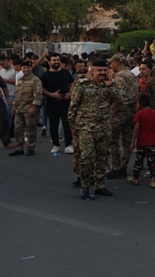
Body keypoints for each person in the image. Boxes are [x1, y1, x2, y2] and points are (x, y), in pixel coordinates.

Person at [68, 59, 126, 199]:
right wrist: (72, 126)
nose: (102, 73)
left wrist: (111, 85)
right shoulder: (82, 85)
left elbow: (121, 101)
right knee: (87, 156)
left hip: (103, 127)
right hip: (85, 127)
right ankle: (85, 185)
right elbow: (73, 106)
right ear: (92, 70)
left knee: (101, 157)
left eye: (104, 70)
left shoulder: (110, 85)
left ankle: (100, 186)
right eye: (99, 70)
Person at [107, 54, 139, 178]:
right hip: (131, 111)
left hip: (120, 111)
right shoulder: (132, 75)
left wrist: (112, 111)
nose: (110, 65)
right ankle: (124, 166)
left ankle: (116, 167)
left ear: (117, 63)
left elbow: (118, 96)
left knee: (112, 140)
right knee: (127, 142)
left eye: (111, 63)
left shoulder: (120, 76)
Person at [41, 53, 74, 154]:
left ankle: (68, 145)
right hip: (52, 103)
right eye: (54, 60)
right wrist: (51, 95)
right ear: (49, 62)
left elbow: (72, 84)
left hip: (66, 103)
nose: (56, 62)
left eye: (57, 60)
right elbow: (42, 89)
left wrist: (70, 93)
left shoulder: (66, 72)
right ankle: (56, 145)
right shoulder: (45, 75)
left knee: (67, 124)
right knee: (53, 125)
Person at [10, 61, 43, 157]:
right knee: (17, 130)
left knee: (31, 129)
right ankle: (19, 148)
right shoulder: (20, 79)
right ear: (21, 69)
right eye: (24, 68)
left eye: (28, 67)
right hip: (19, 109)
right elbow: (17, 94)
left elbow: (38, 95)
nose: (26, 69)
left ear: (31, 68)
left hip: (29, 109)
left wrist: (33, 107)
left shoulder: (35, 80)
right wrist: (14, 106)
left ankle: (31, 147)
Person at [128, 93, 155, 188]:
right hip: (154, 140)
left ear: (139, 103)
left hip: (142, 141)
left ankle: (135, 177)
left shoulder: (139, 114)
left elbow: (136, 129)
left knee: (139, 161)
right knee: (153, 161)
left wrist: (133, 141)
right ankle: (153, 180)